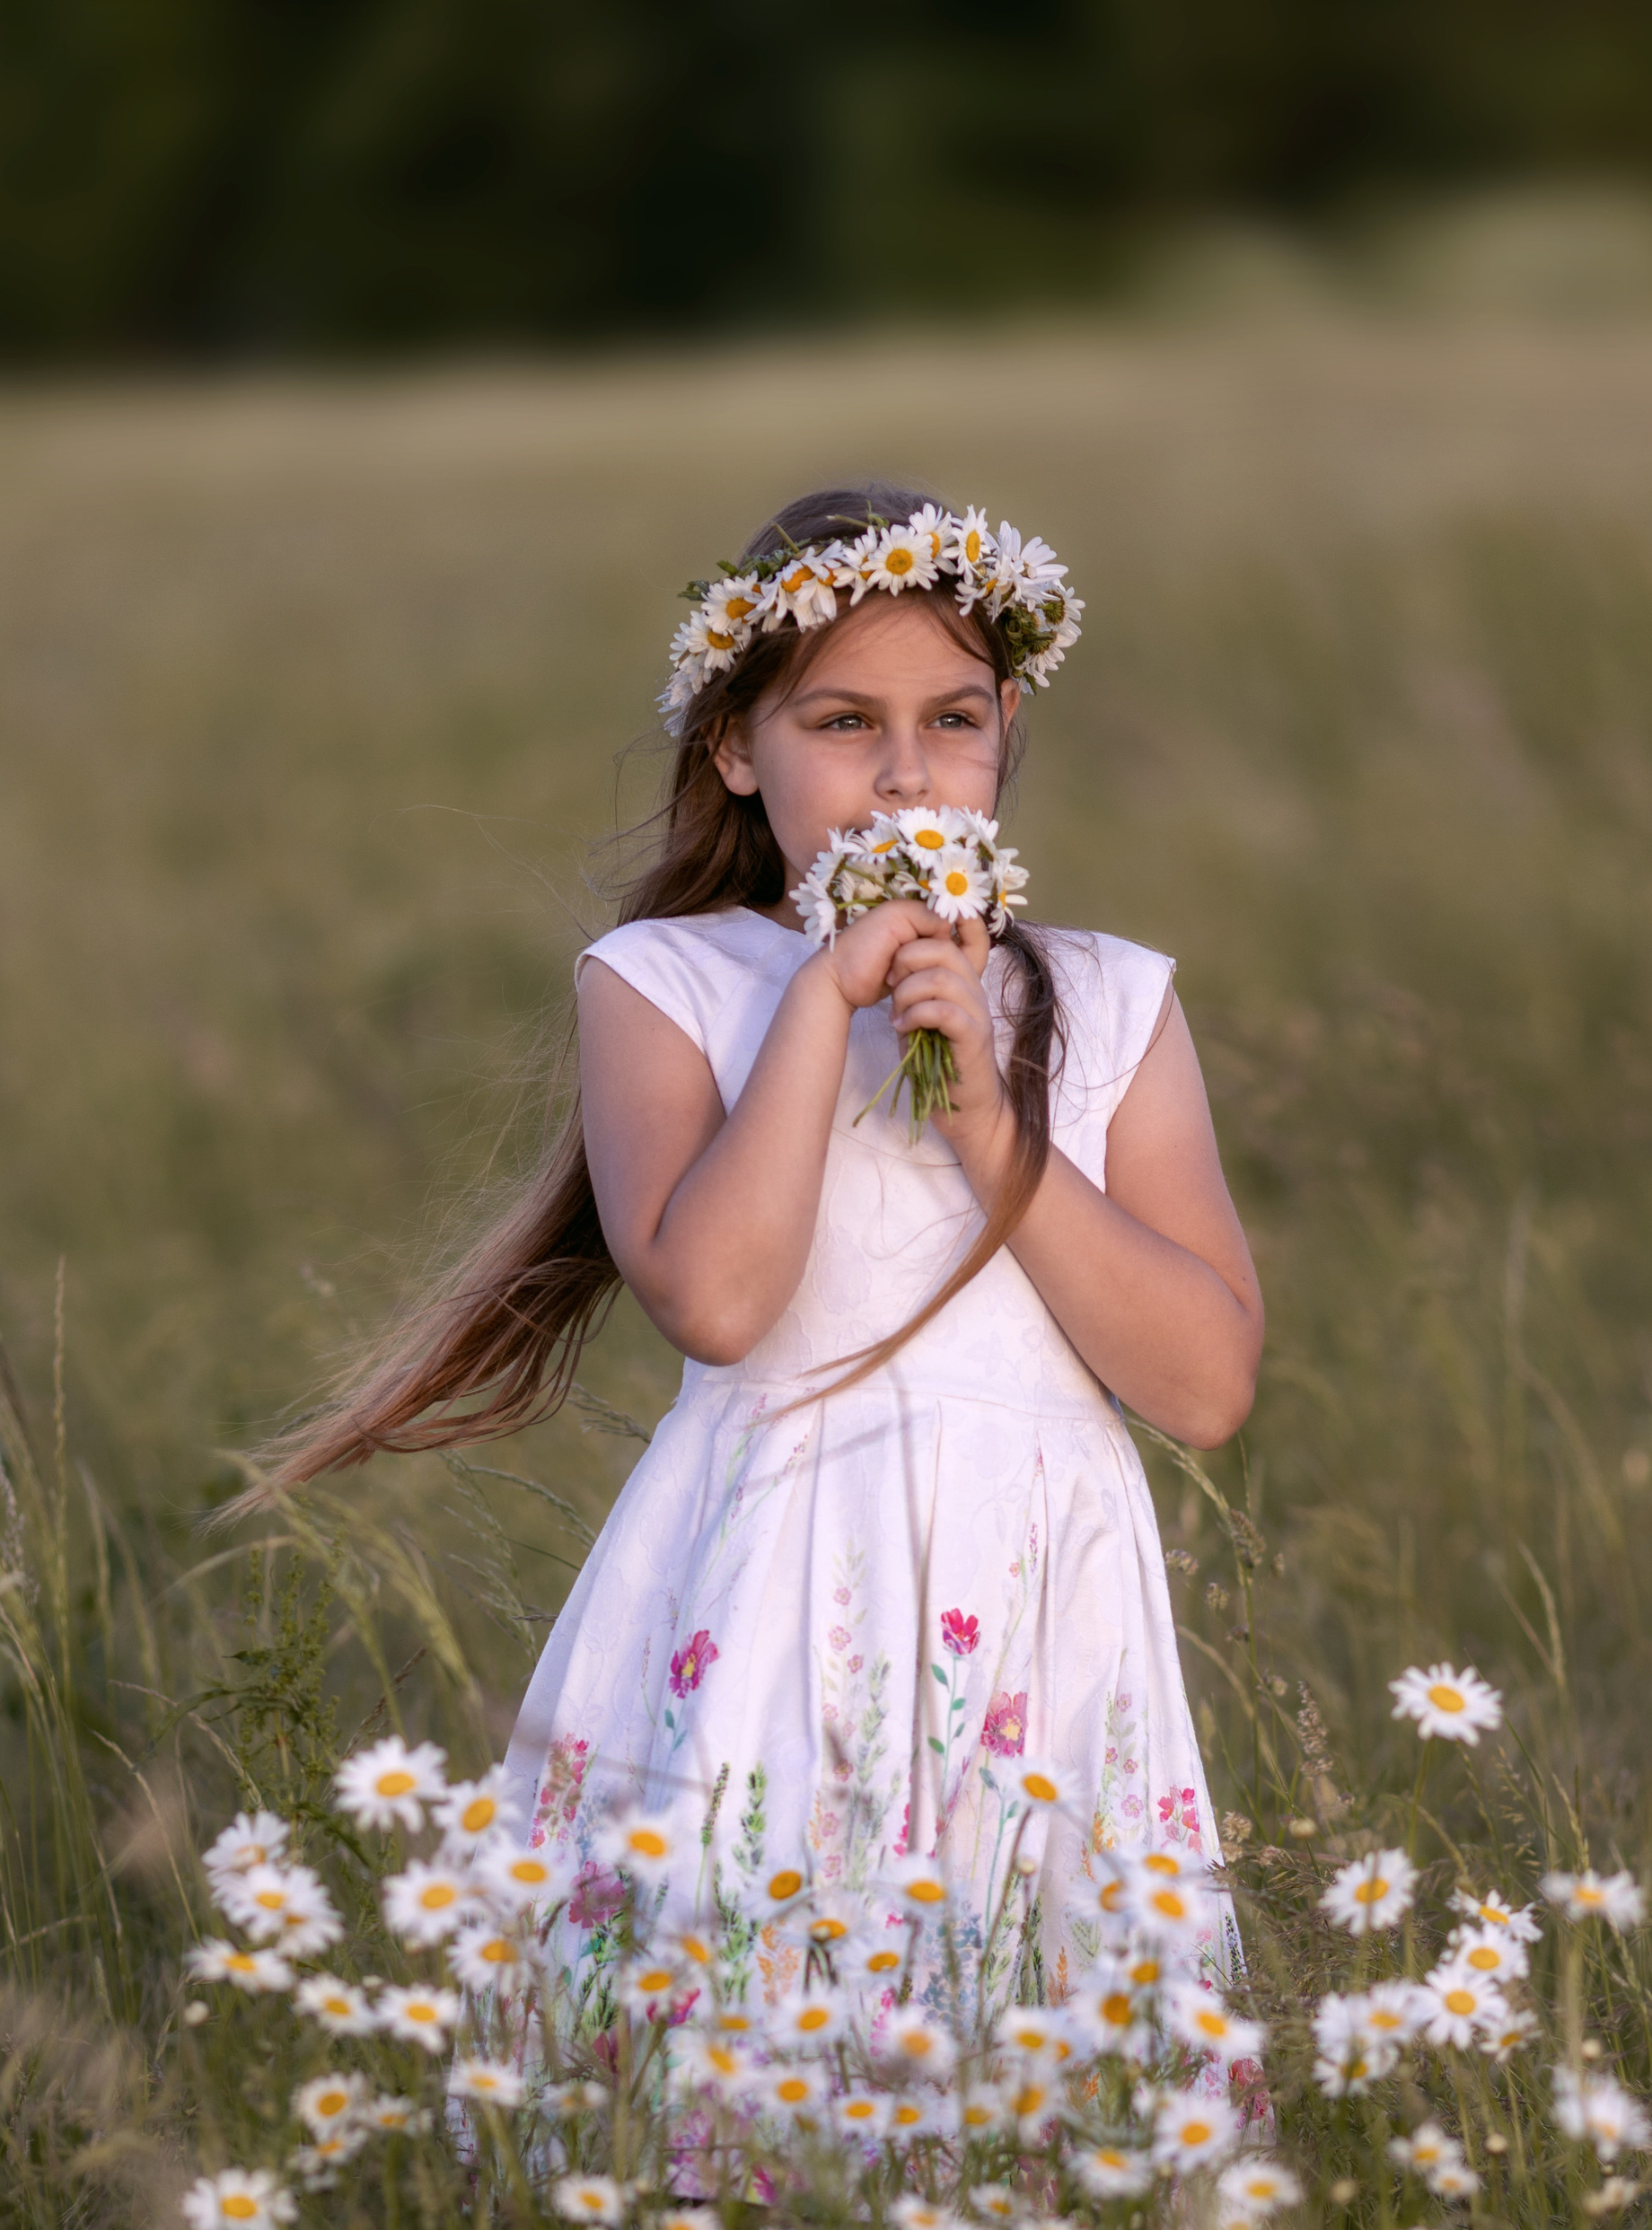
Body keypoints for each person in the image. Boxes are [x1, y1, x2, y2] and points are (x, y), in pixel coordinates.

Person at [268, 483, 1262, 2006]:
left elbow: (1203, 1387)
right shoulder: (671, 981)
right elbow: (719, 1303)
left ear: (1006, 732)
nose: (908, 776)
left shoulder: (1117, 998)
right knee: (755, 2031)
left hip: (1038, 1601)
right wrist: (822, 1003)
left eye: (955, 721)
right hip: (784, 1578)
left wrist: (990, 1123)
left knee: (1027, 2060)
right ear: (739, 747)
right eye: (844, 724)